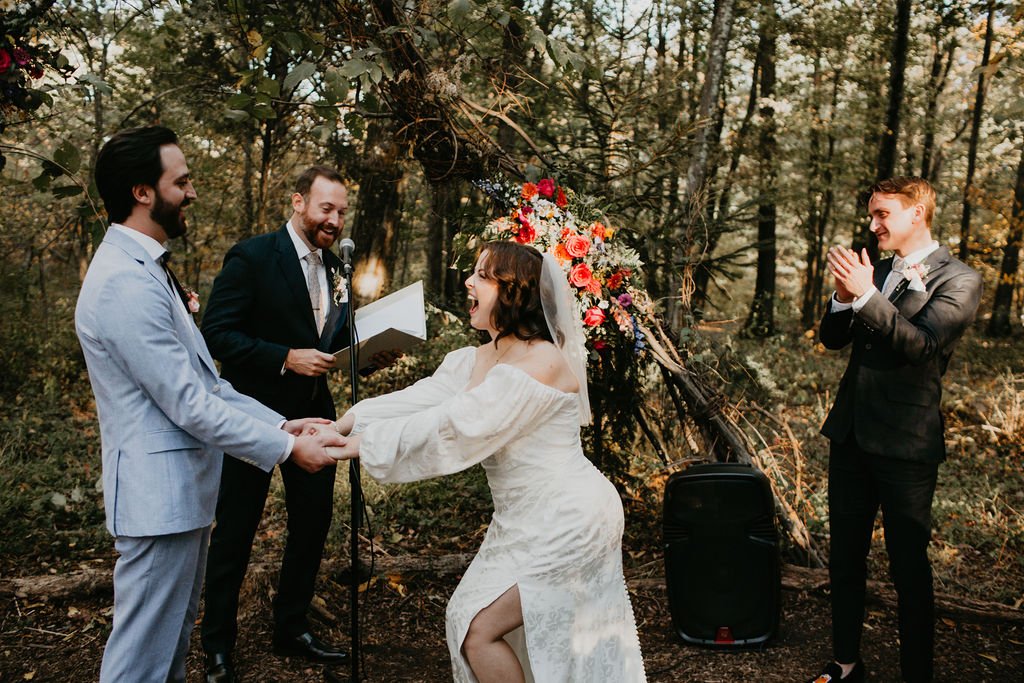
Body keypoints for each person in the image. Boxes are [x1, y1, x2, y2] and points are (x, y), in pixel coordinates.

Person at [75, 126, 344, 683]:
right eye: (182, 181)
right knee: (139, 659)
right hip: (157, 498)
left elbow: (210, 387)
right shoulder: (125, 282)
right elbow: (190, 403)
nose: (192, 192)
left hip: (178, 495)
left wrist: (281, 421)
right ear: (142, 192)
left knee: (167, 651)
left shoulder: (149, 270)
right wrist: (286, 448)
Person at [319, 241, 647, 682]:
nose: (469, 282)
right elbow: (422, 400)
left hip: (570, 518)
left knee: (479, 629)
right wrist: (342, 425)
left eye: (483, 275)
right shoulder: (476, 358)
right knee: (467, 620)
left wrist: (360, 447)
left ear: (513, 291)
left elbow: (459, 422)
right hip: (518, 521)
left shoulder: (542, 361)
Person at [199, 166, 393, 681]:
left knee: (312, 525)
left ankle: (292, 625)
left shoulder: (337, 269)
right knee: (236, 529)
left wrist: (370, 356)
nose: (335, 220)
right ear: (298, 202)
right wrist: (285, 356)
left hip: (318, 415)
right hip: (251, 416)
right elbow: (216, 334)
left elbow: (336, 343)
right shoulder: (253, 256)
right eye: (326, 208)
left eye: (342, 212)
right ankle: (216, 644)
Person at [809, 177, 982, 683]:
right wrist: (844, 298)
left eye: (882, 214)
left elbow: (923, 347)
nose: (873, 224)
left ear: (917, 213)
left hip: (907, 444)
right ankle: (845, 664)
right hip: (851, 435)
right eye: (871, 214)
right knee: (844, 560)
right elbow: (834, 339)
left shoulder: (961, 279)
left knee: (909, 570)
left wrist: (867, 298)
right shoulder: (876, 268)